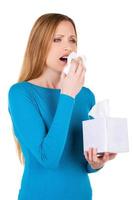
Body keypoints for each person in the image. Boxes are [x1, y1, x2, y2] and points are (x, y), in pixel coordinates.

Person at [8, 13, 117, 200]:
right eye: (57, 39)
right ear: (38, 45)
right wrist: (67, 96)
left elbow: (80, 160)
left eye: (72, 40)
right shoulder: (20, 94)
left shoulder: (85, 95)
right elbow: (48, 158)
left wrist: (96, 163)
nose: (68, 47)